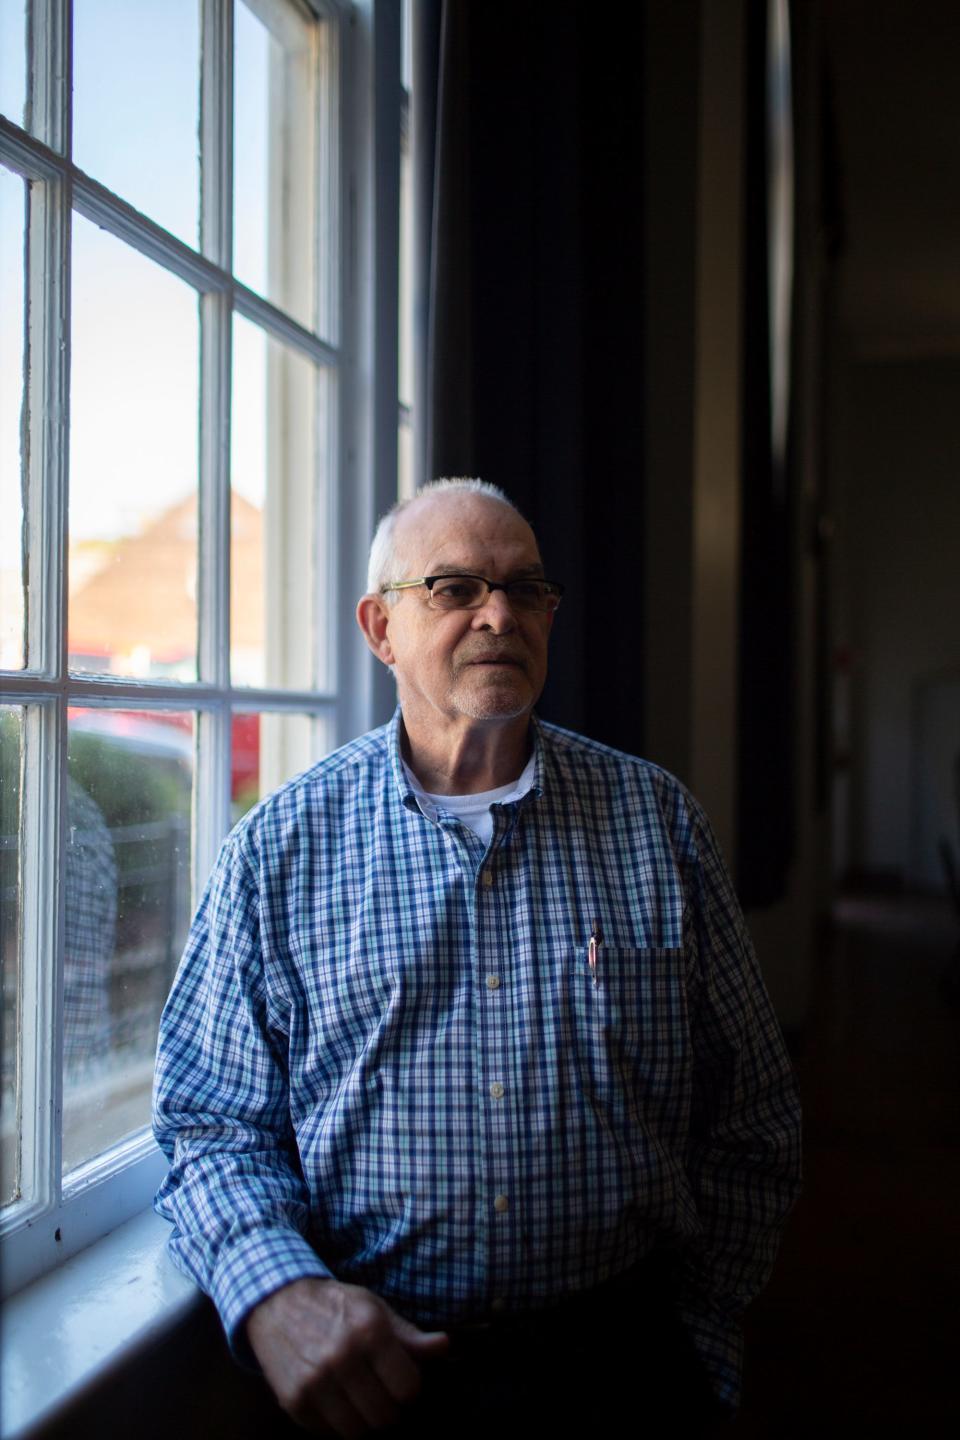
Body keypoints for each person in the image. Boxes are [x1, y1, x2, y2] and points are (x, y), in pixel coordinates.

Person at [153, 478, 802, 1437]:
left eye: (525, 589)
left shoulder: (657, 822)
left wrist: (698, 1337)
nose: (499, 614)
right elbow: (209, 1123)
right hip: (376, 1380)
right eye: (455, 589)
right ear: (382, 629)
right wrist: (278, 1296)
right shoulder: (280, 849)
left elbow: (753, 1117)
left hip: (625, 1369)